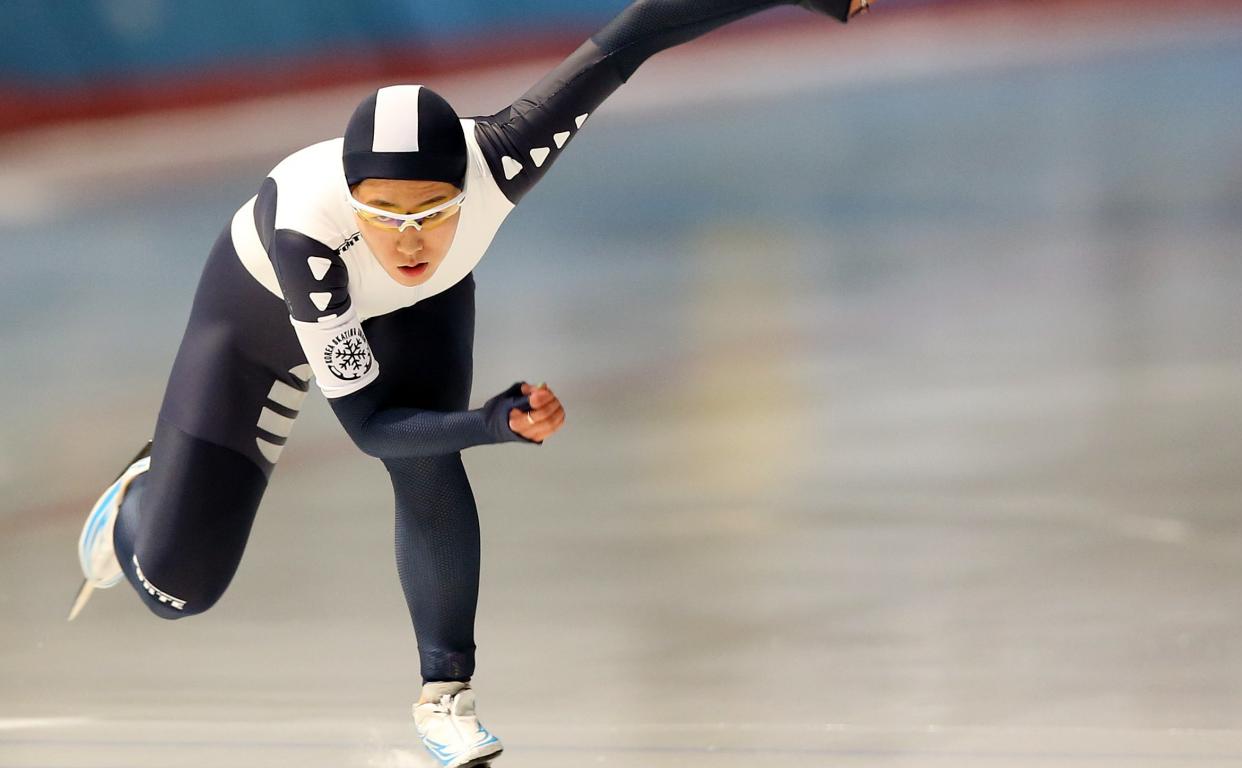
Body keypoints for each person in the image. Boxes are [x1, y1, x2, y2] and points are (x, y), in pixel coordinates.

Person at [69, 0, 879, 765]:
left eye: (433, 212)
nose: (409, 240)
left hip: (417, 308)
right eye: (384, 214)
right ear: (351, 201)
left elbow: (641, 32)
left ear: (470, 185)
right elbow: (370, 428)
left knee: (429, 461)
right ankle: (137, 500)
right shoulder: (308, 243)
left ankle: (445, 696)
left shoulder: (505, 154)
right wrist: (492, 422)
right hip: (259, 330)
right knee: (177, 590)